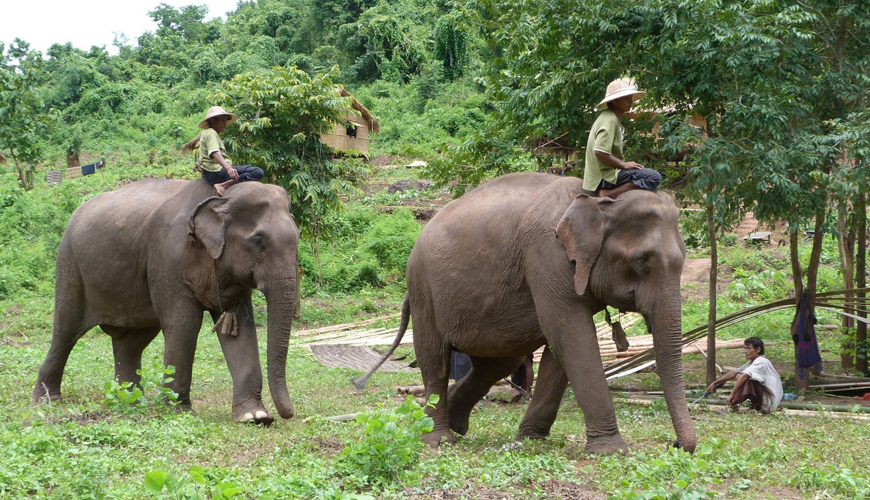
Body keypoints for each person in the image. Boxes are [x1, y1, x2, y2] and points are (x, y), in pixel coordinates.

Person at [583, 78, 661, 199]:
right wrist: (623, 165)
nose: (630, 101)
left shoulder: (607, 117)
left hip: (602, 173)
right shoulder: (610, 120)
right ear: (615, 100)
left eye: (630, 97)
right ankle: (608, 194)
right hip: (604, 176)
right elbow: (599, 151)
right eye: (626, 98)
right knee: (654, 177)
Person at [198, 106, 264, 197]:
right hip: (216, 172)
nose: (224, 124)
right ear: (213, 121)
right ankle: (223, 185)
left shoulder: (210, 133)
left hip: (213, 173)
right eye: (222, 121)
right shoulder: (211, 132)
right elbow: (214, 152)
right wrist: (228, 169)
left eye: (225, 121)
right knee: (257, 172)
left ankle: (228, 182)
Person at [707, 337, 783, 414]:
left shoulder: (761, 362)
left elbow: (744, 376)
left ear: (758, 350)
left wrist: (731, 395)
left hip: (769, 404)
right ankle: (744, 407)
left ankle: (731, 407)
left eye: (748, 348)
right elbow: (734, 372)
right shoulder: (752, 362)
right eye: (745, 348)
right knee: (740, 375)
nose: (745, 351)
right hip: (764, 401)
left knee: (745, 378)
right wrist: (715, 382)